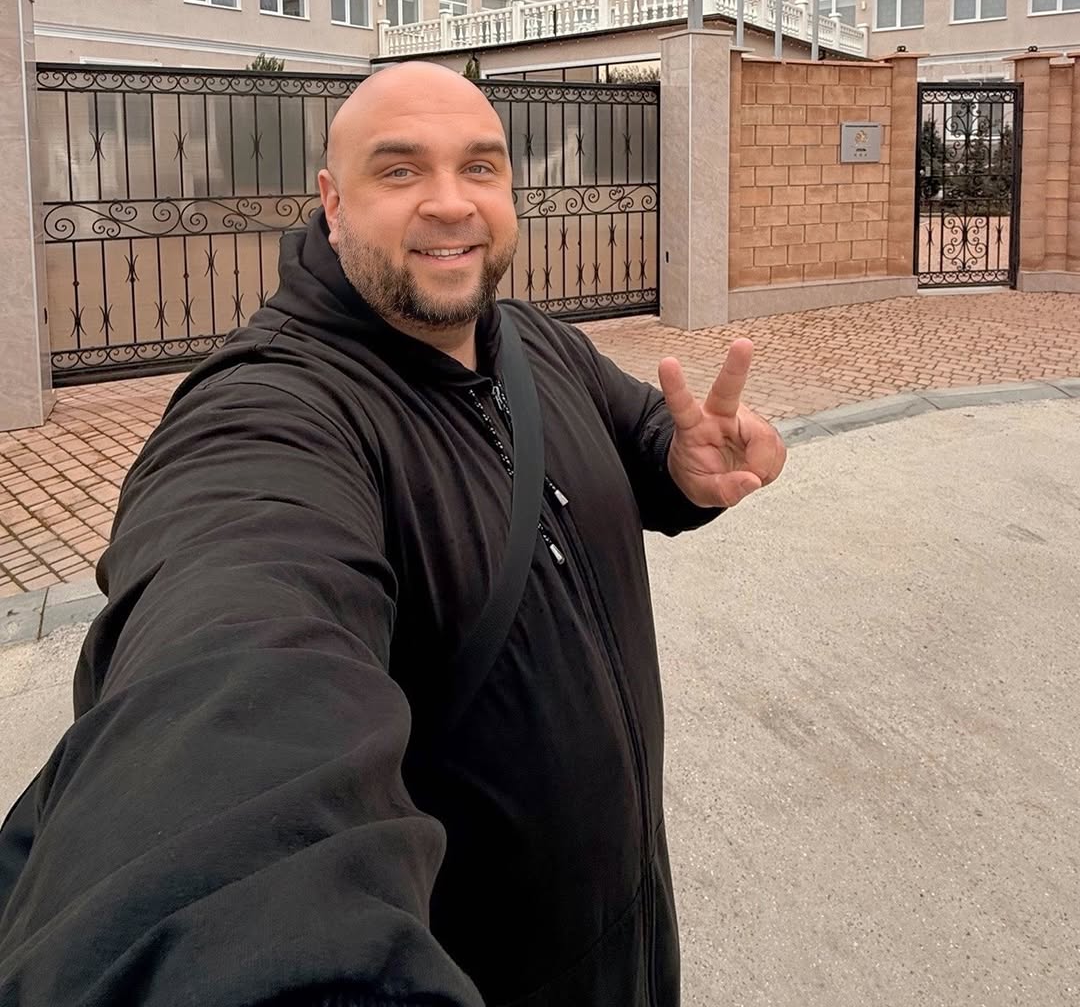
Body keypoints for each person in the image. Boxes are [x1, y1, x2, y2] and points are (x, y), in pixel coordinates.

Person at [0, 61, 786, 1006]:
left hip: (630, 943)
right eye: (401, 170)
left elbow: (641, 438)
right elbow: (232, 677)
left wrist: (682, 466)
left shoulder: (538, 343)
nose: (451, 203)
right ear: (333, 202)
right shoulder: (272, 413)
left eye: (480, 167)